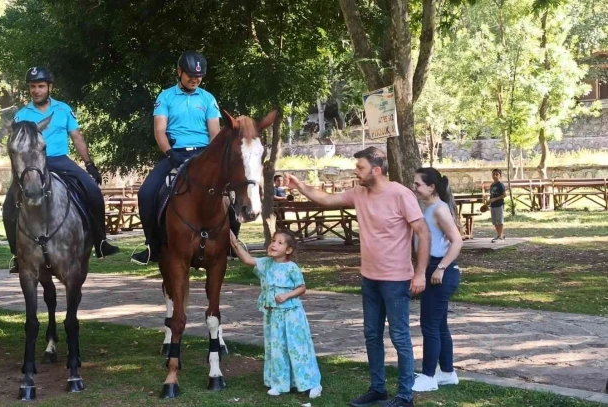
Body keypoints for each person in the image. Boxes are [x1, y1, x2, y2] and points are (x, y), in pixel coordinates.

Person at [284, 146, 430, 407]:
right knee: (372, 335)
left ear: (376, 170)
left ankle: (405, 395)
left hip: (396, 279)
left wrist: (420, 274)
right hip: (369, 278)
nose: (356, 172)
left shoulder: (401, 194)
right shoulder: (359, 193)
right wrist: (300, 185)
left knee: (399, 337)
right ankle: (378, 389)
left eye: (360, 168)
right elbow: (327, 199)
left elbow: (423, 232)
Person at [3, 67, 120, 273]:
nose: (36, 90)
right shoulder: (21, 115)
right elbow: (16, 147)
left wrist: (89, 164)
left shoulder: (64, 109)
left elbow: (77, 137)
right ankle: (17, 255)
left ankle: (101, 242)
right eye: (33, 87)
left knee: (93, 191)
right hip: (32, 166)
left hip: (59, 160)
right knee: (8, 208)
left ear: (49, 87)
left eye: (40, 86)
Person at [131, 51, 240, 265]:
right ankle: (152, 246)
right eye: (190, 75)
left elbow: (215, 133)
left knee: (233, 193)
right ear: (179, 72)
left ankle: (232, 243)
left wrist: (215, 159)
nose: (195, 79)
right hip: (175, 153)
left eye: (199, 76)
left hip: (204, 154)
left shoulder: (208, 99)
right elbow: (159, 131)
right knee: (146, 193)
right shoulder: (165, 97)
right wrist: (170, 154)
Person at [229, 229, 322, 399]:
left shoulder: (291, 267)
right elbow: (247, 259)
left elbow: (302, 288)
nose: (273, 244)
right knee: (277, 349)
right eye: (273, 240)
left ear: (288, 250)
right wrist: (235, 243)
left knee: (298, 348)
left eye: (279, 242)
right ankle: (280, 383)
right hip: (273, 317)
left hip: (292, 315)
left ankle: (312, 383)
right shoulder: (266, 263)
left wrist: (287, 295)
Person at [411, 167, 463, 392]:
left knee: (429, 325)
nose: (414, 188)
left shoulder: (439, 209)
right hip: (433, 269)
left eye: (418, 184)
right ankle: (448, 373)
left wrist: (441, 268)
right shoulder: (431, 208)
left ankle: (429, 376)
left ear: (431, 187)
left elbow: (457, 241)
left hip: (440, 270)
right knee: (439, 325)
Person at [488, 169, 507, 242]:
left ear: (500, 176)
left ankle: (501, 236)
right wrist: (489, 201)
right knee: (495, 221)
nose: (495, 176)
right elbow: (492, 195)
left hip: (499, 204)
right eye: (493, 174)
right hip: (492, 205)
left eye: (497, 174)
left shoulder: (500, 185)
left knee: (500, 221)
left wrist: (495, 199)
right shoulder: (492, 185)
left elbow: (504, 195)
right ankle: (499, 235)